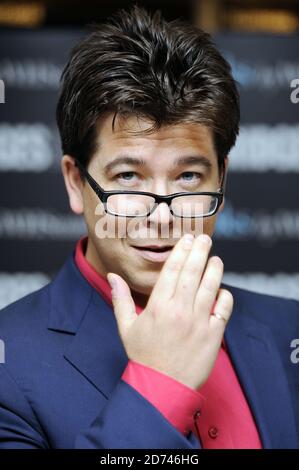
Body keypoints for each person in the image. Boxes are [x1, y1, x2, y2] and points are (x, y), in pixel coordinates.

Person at [0, 5, 298, 450]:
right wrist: (159, 386)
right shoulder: (9, 362)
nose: (162, 216)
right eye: (127, 178)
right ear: (76, 182)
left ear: (223, 178)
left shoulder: (286, 330)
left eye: (188, 177)